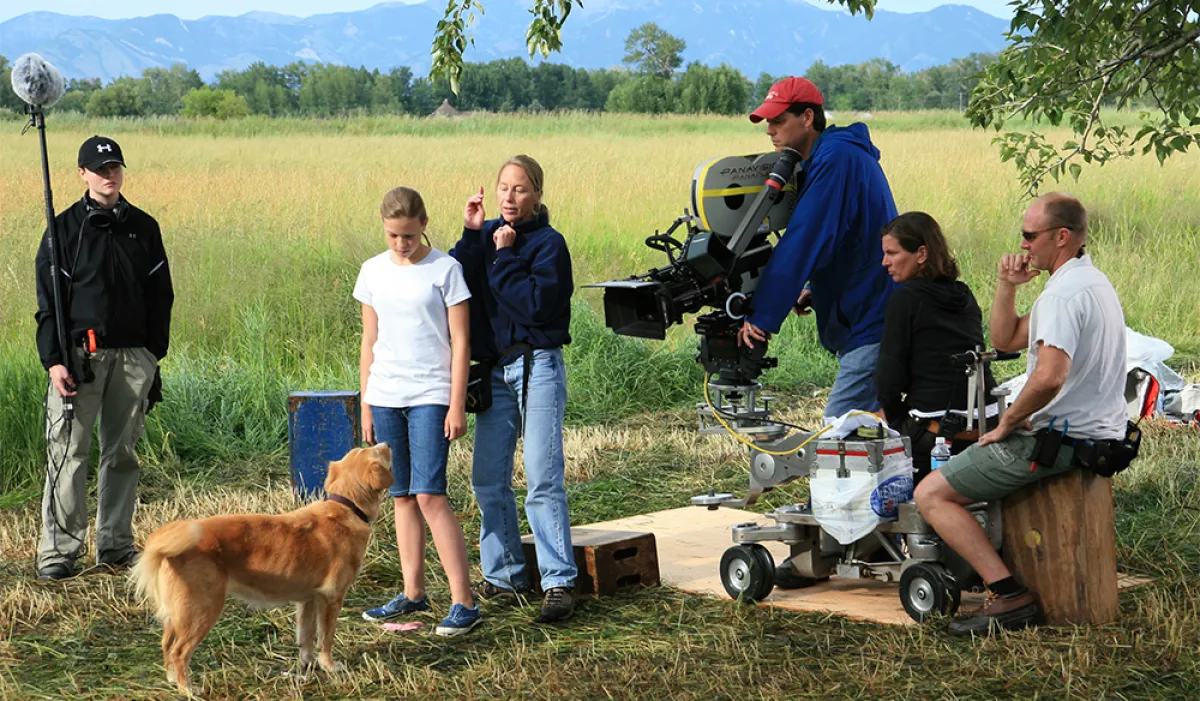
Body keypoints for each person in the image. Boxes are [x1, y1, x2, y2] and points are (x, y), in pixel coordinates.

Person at [914, 193, 1128, 636]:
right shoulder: (1088, 282)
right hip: (1097, 434)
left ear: (1061, 236)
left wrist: (1007, 422)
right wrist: (1007, 285)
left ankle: (1009, 594)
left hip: (1059, 441)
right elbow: (1007, 337)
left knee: (931, 494)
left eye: (1030, 236)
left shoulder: (1062, 296)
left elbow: (1050, 377)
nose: (1023, 245)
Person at [35, 135, 174, 581]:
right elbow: (46, 304)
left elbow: (161, 296)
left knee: (122, 454)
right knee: (68, 452)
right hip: (80, 358)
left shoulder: (144, 227)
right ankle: (59, 552)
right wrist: (55, 360)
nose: (109, 175)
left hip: (134, 357)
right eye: (100, 169)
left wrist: (153, 355)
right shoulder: (62, 230)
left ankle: (114, 545)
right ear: (82, 174)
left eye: (114, 167)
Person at [451, 155, 577, 624]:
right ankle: (505, 574)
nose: (508, 197)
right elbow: (457, 284)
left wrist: (503, 257)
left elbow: (536, 307)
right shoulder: (485, 237)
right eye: (503, 187)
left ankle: (559, 581)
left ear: (538, 194)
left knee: (543, 478)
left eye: (520, 189)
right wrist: (469, 234)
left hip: (538, 363)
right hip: (496, 369)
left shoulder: (548, 244)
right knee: (487, 478)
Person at [355, 186, 481, 636]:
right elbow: (369, 341)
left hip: (430, 394)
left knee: (430, 495)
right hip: (385, 394)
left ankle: (464, 602)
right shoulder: (372, 271)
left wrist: (455, 403)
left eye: (408, 236)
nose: (401, 244)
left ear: (423, 224)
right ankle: (412, 594)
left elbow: (460, 342)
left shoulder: (446, 269)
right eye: (392, 236)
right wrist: (366, 402)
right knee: (402, 495)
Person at [737, 76, 899, 422]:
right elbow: (844, 236)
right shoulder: (832, 155)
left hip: (872, 317)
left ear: (807, 118)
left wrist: (762, 316)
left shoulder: (836, 159)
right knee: (872, 432)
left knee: (840, 432)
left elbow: (805, 239)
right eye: (768, 122)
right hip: (864, 309)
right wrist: (813, 288)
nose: (770, 130)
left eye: (778, 120)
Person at [875, 212, 997, 481]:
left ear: (921, 254)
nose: (885, 262)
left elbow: (889, 378)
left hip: (935, 435)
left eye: (892, 253)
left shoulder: (905, 299)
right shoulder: (964, 294)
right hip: (988, 422)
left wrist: (897, 424)